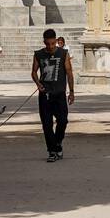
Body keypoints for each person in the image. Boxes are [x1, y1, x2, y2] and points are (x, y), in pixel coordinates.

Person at [31, 28, 74, 162]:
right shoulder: (38, 54)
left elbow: (69, 73)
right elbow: (33, 72)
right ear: (44, 42)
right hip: (45, 94)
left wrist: (71, 91)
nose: (50, 47)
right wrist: (38, 84)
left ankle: (57, 143)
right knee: (46, 124)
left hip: (59, 93)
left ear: (56, 41)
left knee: (63, 121)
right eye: (47, 44)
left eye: (52, 44)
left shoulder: (63, 53)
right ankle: (52, 151)